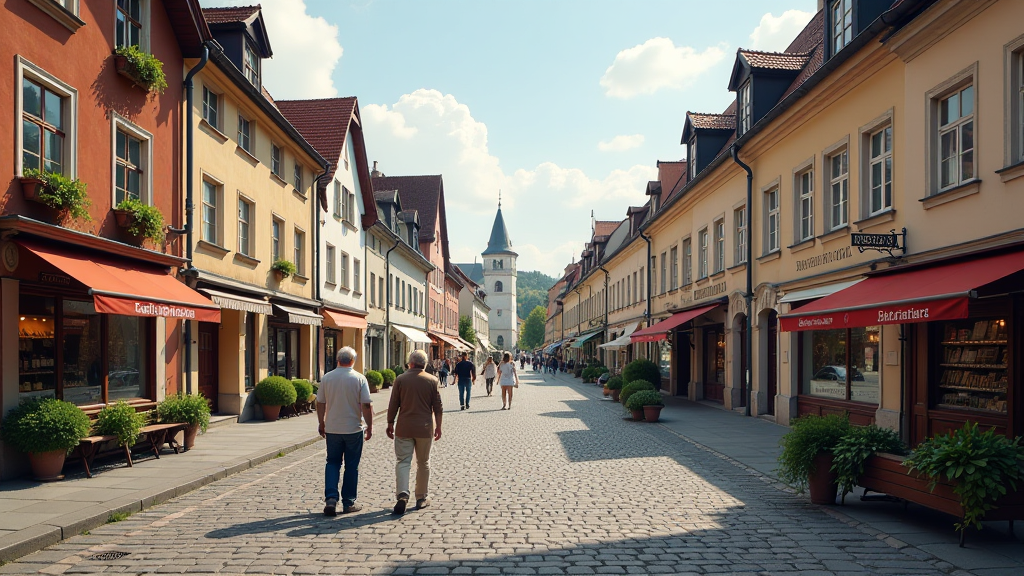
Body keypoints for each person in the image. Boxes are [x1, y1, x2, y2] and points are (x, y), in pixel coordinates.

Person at [316, 346, 372, 516]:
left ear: (337, 360)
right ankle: (348, 502)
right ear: (353, 361)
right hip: (353, 429)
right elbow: (366, 404)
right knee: (351, 466)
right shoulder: (359, 378)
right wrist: (369, 425)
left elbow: (320, 402)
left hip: (333, 428)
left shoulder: (327, 378)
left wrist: (321, 422)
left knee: (332, 462)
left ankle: (331, 499)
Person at [386, 349, 443, 515]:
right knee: (423, 463)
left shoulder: (401, 379)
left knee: (403, 461)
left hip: (404, 427)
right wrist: (438, 426)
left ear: (410, 363)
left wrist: (390, 422)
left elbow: (393, 403)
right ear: (424, 365)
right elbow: (438, 407)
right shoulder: (432, 380)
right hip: (425, 428)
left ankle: (403, 493)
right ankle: (421, 497)